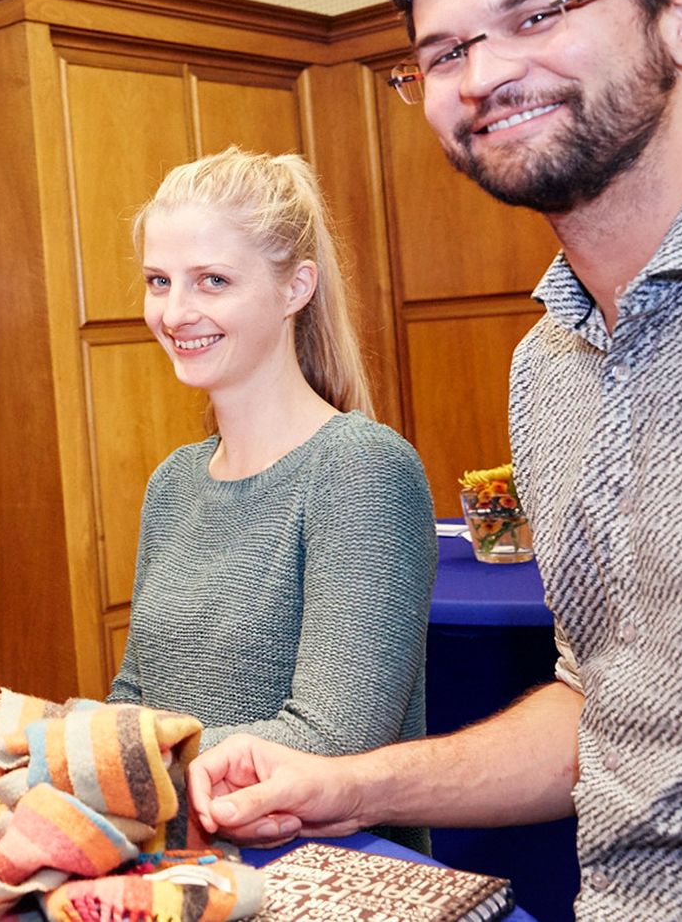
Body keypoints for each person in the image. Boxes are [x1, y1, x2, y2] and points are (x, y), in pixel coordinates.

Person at [191, 0, 682, 922]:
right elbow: (599, 712)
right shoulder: (545, 362)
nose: (485, 74)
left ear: (681, 18)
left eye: (537, 13)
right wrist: (343, 787)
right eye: (443, 50)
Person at [113, 149, 435, 852]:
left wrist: (96, 756)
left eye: (213, 281)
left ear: (296, 288)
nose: (175, 311)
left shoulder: (363, 467)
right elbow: (133, 699)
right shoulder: (172, 482)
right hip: (184, 867)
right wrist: (62, 741)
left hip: (327, 875)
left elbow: (333, 735)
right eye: (159, 280)